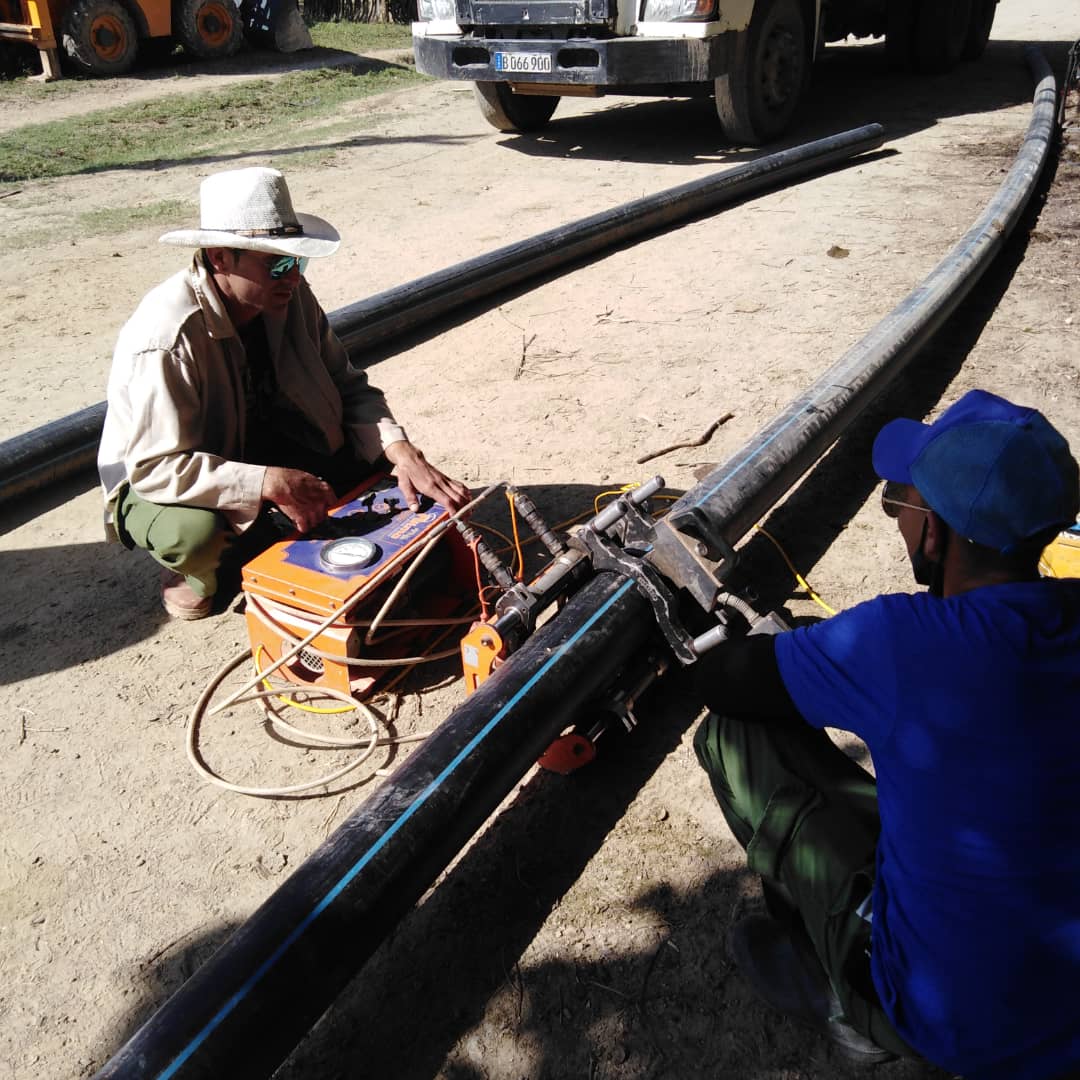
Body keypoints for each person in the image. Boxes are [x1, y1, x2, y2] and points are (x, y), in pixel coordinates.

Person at [692, 389, 1080, 1078]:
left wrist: (793, 646)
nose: (899, 521)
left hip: (957, 1026)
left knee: (735, 735)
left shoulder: (900, 643)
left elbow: (723, 680)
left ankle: (841, 989)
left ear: (937, 532)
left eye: (902, 504)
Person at [98, 167, 469, 620]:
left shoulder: (289, 295)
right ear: (220, 259)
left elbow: (347, 385)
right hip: (159, 476)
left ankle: (260, 529)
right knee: (195, 535)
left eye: (298, 261)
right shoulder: (167, 337)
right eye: (276, 263)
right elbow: (155, 467)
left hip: (254, 443)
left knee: (377, 476)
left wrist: (400, 448)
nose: (291, 276)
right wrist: (265, 482)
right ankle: (193, 573)